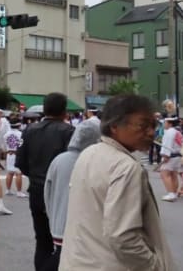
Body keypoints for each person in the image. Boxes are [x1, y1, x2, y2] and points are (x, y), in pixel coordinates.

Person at [60, 95, 176, 270]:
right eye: (143, 126)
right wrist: (155, 266)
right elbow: (123, 237)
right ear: (114, 126)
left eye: (153, 125)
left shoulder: (89, 153)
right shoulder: (126, 167)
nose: (151, 132)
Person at [17, 93, 74, 271]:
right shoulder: (69, 132)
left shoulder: (29, 131)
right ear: (65, 111)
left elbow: (21, 163)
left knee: (42, 241)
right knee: (64, 242)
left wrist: (35, 175)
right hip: (61, 193)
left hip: (36, 189)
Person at [43, 120, 100, 271]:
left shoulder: (59, 160)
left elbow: (47, 194)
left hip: (59, 225)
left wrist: (52, 218)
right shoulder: (95, 162)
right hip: (85, 230)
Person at [159, 117, 182, 201]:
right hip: (177, 156)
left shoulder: (170, 132)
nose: (164, 124)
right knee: (173, 175)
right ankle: (174, 193)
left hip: (170, 156)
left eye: (165, 122)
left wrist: (165, 155)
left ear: (170, 123)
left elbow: (167, 145)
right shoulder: (177, 132)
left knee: (164, 174)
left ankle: (171, 194)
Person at [4, 120, 26, 198]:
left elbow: (4, 144)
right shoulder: (21, 134)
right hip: (17, 154)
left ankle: (8, 189)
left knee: (10, 172)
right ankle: (19, 192)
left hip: (9, 154)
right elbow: (22, 145)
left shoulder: (6, 134)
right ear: (19, 125)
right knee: (18, 173)